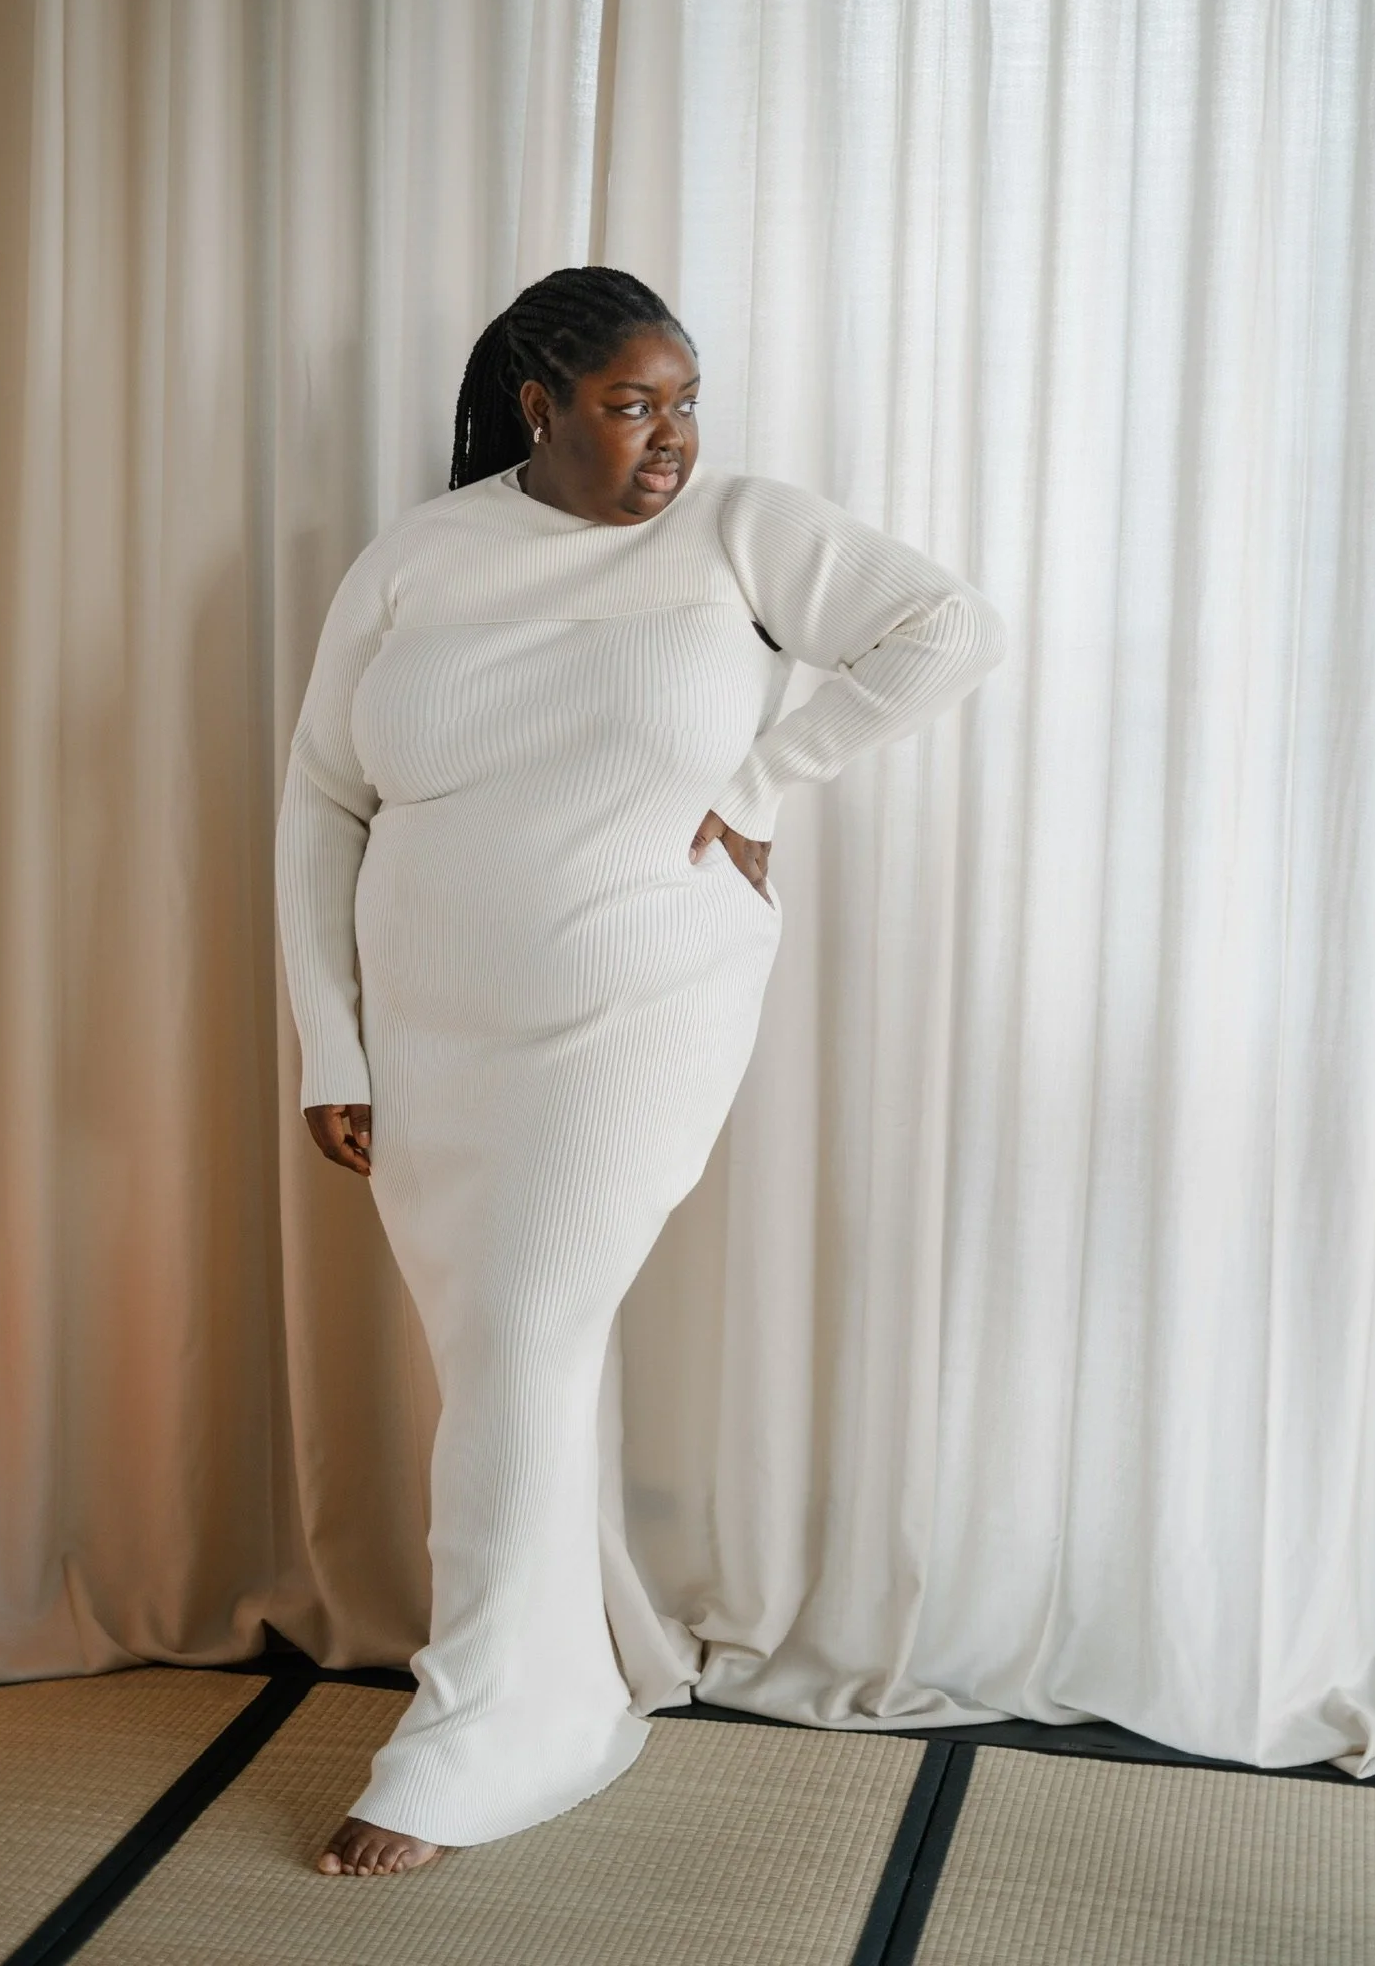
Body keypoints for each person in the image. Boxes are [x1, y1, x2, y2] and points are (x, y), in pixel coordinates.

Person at [274, 265, 1004, 1877]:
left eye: (685, 403)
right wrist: (333, 1036)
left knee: (521, 1341)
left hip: (633, 1010)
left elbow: (950, 629)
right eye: (631, 406)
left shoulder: (739, 527)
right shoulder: (421, 554)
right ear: (539, 406)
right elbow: (321, 798)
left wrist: (768, 776)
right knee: (508, 1361)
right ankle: (590, 1662)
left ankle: (473, 1732)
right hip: (429, 1034)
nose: (672, 437)